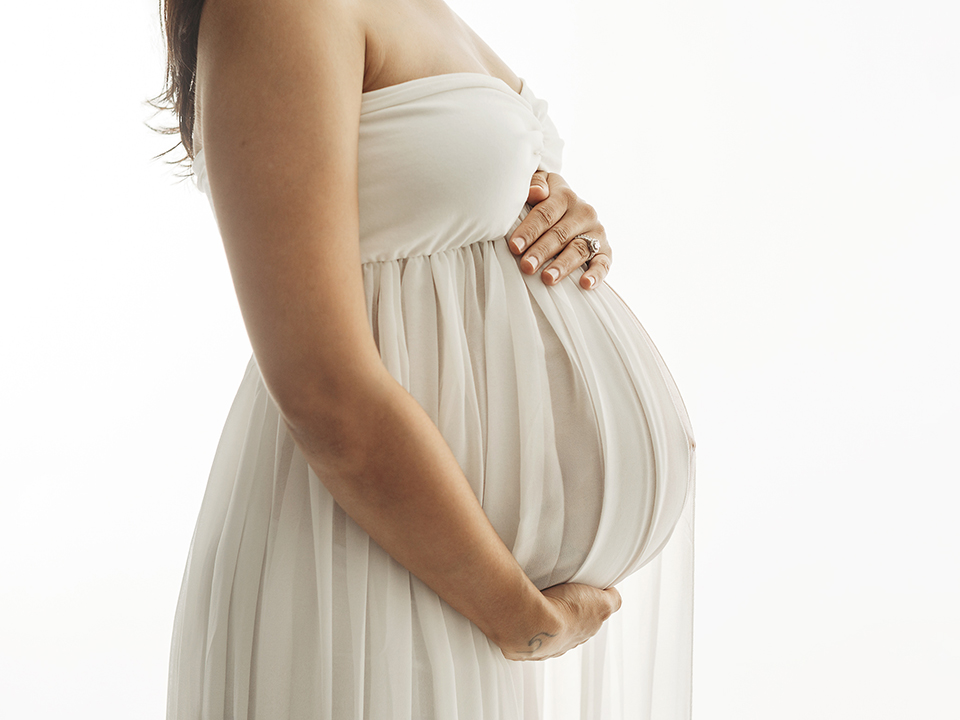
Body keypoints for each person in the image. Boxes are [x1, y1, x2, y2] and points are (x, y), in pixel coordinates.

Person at [155, 0, 696, 717]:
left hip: (448, 576)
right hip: (367, 569)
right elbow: (322, 390)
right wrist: (517, 616)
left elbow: (444, 203)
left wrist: (556, 215)